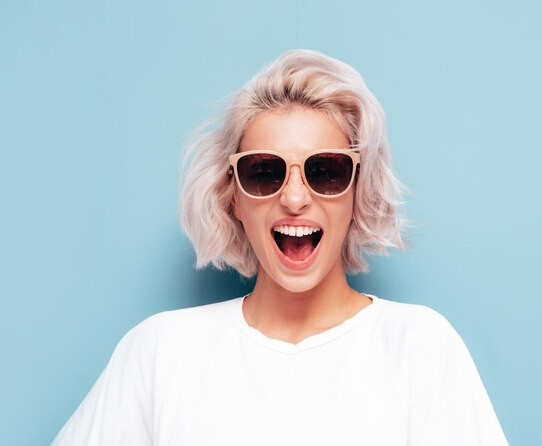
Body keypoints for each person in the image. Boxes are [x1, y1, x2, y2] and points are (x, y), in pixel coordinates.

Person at [52, 49, 508, 445]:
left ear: (356, 189)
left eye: (325, 171)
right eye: (264, 172)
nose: (293, 198)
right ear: (231, 195)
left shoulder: (420, 348)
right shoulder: (160, 352)